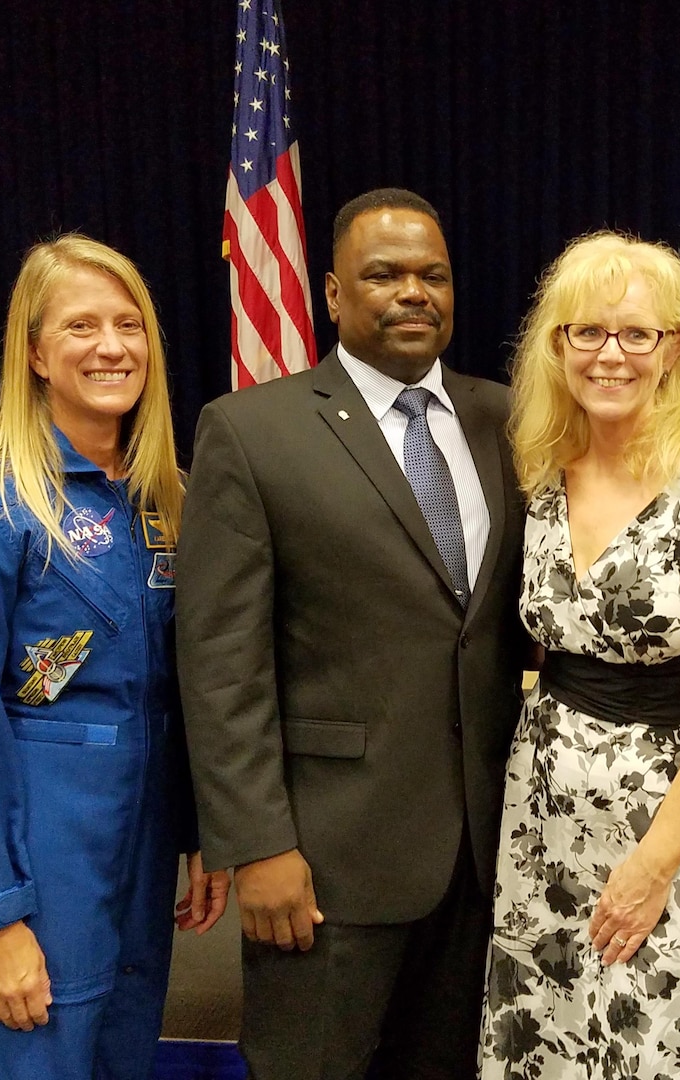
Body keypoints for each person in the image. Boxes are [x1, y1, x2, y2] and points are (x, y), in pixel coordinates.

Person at [175, 188, 527, 1079]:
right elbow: (222, 664)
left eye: (432, 275)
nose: (413, 292)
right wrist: (255, 846)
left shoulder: (512, 419)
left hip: (483, 857)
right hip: (325, 862)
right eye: (384, 274)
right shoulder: (252, 432)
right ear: (333, 294)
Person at [480, 231, 680, 1078]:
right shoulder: (543, 473)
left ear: (676, 350)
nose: (608, 355)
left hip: (672, 830)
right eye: (585, 332)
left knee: (667, 1043)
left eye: (635, 334)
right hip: (546, 821)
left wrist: (650, 870)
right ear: (556, 348)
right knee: (556, 1040)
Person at [0, 233, 230, 1079]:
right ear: (36, 353)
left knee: (124, 1053)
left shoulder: (167, 498)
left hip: (144, 842)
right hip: (44, 852)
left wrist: (198, 829)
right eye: (82, 326)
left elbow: (183, 682)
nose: (112, 347)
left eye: (129, 325)